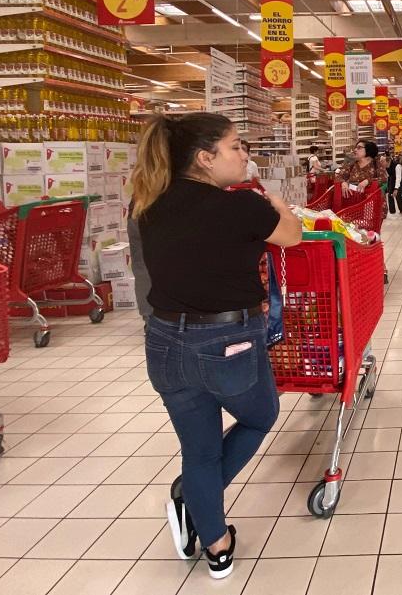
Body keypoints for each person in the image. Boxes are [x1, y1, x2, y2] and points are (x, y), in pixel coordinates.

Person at [132, 113, 302, 579]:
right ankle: (196, 498)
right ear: (205, 159)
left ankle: (216, 544)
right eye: (234, 146)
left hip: (165, 342)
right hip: (229, 342)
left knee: (199, 448)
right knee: (260, 415)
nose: (244, 153)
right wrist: (277, 203)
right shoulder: (241, 207)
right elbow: (292, 235)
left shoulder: (148, 203)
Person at [386, 150, 402, 217]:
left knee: (398, 195)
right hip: (391, 180)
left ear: (388, 161)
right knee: (390, 195)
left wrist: (396, 188)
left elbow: (398, 178)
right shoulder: (386, 166)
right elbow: (388, 175)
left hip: (399, 181)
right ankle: (392, 212)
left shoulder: (397, 166)